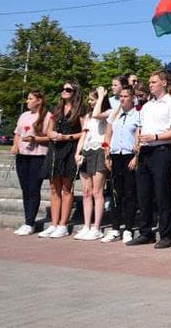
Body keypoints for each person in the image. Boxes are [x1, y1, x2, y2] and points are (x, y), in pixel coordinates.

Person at [127, 70, 171, 249]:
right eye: (149, 82)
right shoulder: (147, 106)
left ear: (164, 83)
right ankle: (146, 232)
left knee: (162, 193)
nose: (150, 85)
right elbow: (141, 128)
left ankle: (166, 234)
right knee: (143, 193)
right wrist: (137, 143)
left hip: (161, 150)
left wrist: (156, 137)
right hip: (144, 151)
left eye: (154, 82)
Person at [39, 82, 85, 239]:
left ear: (75, 92)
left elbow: (85, 132)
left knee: (67, 187)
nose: (64, 92)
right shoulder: (55, 109)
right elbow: (48, 129)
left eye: (68, 89)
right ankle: (54, 223)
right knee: (54, 187)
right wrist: (52, 135)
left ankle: (63, 225)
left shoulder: (80, 109)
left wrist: (67, 137)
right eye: (63, 89)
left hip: (70, 149)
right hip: (55, 149)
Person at [11, 91, 52, 235]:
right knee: (25, 189)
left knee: (33, 189)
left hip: (38, 156)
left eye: (30, 99)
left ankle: (30, 223)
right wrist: (15, 145)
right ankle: (27, 220)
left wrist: (35, 139)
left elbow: (50, 137)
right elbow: (17, 134)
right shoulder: (24, 115)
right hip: (22, 156)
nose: (27, 101)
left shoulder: (47, 116)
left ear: (39, 100)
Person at [102, 86, 139, 243]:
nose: (122, 99)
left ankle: (129, 228)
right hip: (115, 155)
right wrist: (106, 153)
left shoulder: (137, 114)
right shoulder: (115, 114)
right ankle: (115, 227)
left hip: (129, 155)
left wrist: (136, 157)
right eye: (121, 96)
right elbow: (108, 134)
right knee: (116, 193)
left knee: (130, 193)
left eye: (125, 96)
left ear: (132, 98)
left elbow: (138, 136)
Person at [73, 87, 111, 241]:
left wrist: (101, 96)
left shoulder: (107, 113)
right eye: (89, 99)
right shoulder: (88, 116)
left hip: (99, 151)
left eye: (92, 99)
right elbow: (84, 134)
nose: (89, 102)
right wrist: (78, 152)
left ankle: (97, 227)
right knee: (86, 192)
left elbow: (98, 114)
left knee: (97, 192)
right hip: (87, 152)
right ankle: (87, 225)